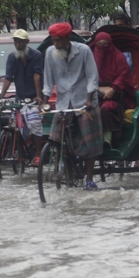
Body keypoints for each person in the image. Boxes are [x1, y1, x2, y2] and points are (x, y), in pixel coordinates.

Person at [42, 22, 102, 190]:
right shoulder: (49, 53)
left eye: (59, 40)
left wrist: (89, 100)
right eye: (53, 40)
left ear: (68, 38)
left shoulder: (83, 51)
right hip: (63, 103)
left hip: (84, 101)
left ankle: (89, 179)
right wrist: (45, 103)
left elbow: (92, 77)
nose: (56, 44)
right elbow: (48, 81)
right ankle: (64, 166)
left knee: (90, 142)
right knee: (56, 136)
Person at [0, 29, 45, 166]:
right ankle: (21, 151)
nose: (18, 44)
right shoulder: (12, 57)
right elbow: (8, 78)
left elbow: (37, 76)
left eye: (20, 41)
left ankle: (38, 154)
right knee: (15, 125)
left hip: (34, 97)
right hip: (20, 97)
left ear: (27, 42)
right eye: (16, 41)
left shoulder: (36, 55)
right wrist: (1, 96)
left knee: (35, 125)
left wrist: (38, 96)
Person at [93, 32, 134, 149]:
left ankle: (107, 140)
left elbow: (123, 75)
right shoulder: (91, 57)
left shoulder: (119, 57)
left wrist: (113, 88)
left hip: (116, 94)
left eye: (105, 44)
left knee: (105, 109)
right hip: (95, 93)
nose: (102, 47)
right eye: (99, 44)